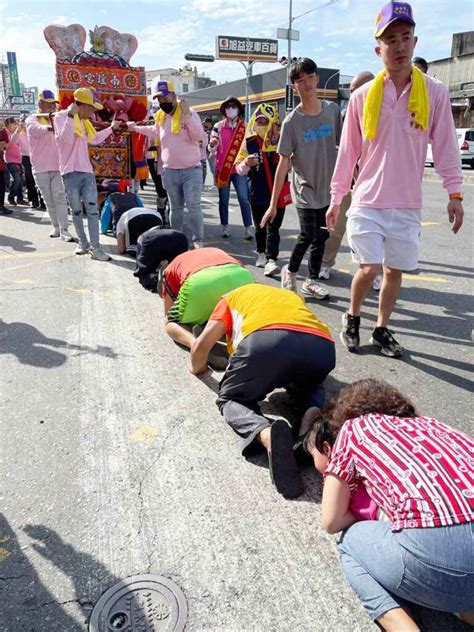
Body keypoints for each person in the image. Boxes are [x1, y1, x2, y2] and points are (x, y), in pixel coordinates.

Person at [327, 1, 464, 358]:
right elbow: (348, 153)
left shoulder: (434, 92)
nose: (399, 46)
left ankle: (382, 327)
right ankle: (353, 316)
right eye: (391, 40)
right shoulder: (361, 97)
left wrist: (455, 193)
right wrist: (336, 197)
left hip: (406, 203)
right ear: (379, 49)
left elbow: (447, 145)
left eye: (405, 37)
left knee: (394, 270)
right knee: (368, 268)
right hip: (368, 201)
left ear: (415, 42)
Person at [303, 378, 474, 632]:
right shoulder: (434, 426)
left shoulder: (352, 429)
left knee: (349, 542)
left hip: (443, 562)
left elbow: (331, 521)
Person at [190, 284, 335, 499]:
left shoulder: (229, 298)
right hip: (321, 347)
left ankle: (266, 434)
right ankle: (310, 415)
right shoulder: (289, 296)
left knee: (231, 398)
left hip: (265, 343)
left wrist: (197, 366)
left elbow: (201, 345)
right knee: (310, 385)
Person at [261, 58, 342, 300]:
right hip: (305, 188)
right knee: (308, 234)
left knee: (323, 235)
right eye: (299, 80)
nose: (305, 83)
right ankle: (291, 271)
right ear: (294, 87)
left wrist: (351, 176)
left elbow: (344, 148)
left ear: (317, 78)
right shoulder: (292, 122)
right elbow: (283, 163)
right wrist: (273, 204)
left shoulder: (332, 112)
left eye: (309, 77)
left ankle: (312, 281)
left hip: (328, 188)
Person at [128, 80, 205, 248]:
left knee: (193, 206)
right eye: (159, 99)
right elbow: (153, 131)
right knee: (175, 208)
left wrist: (188, 116)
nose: (163, 101)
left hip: (191, 170)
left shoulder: (189, 112)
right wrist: (135, 128)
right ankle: (176, 240)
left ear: (174, 95)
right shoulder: (161, 117)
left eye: (165, 97)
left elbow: (198, 136)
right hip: (170, 171)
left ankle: (198, 240)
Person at [319, 72, 375, 283]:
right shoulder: (345, 114)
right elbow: (343, 152)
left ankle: (375, 273)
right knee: (336, 228)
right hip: (348, 184)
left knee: (372, 234)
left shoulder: (383, 109)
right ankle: (325, 263)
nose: (354, 95)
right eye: (351, 91)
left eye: (357, 90)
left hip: (373, 185)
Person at [54, 88, 122, 260]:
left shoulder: (85, 122)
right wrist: (70, 117)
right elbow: (64, 141)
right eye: (91, 107)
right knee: (76, 211)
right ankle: (82, 244)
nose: (93, 111)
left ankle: (96, 248)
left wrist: (111, 129)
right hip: (69, 172)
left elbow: (94, 139)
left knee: (92, 211)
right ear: (82, 105)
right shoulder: (62, 117)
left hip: (86, 172)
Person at [162, 247, 254, 350]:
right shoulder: (214, 249)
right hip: (242, 276)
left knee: (171, 322)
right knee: (238, 318)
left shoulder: (170, 267)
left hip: (201, 282)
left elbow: (168, 311)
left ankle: (197, 345)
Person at [235, 103, 286, 277]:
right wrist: (246, 163)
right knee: (260, 226)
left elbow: (293, 164)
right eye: (259, 121)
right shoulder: (249, 142)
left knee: (275, 227)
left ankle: (272, 259)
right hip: (257, 191)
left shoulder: (281, 140)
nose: (261, 125)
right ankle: (261, 252)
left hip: (277, 192)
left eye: (265, 121)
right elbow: (238, 168)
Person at [25, 90, 74, 241]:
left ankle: (65, 230)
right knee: (49, 200)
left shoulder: (57, 118)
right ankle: (56, 227)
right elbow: (34, 130)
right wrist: (50, 128)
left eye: (53, 104)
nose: (51, 106)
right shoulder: (32, 119)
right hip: (40, 167)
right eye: (48, 103)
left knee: (60, 198)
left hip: (58, 166)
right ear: (40, 104)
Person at [209, 96, 253, 240]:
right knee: (224, 199)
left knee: (243, 198)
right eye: (228, 107)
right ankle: (225, 226)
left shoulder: (245, 127)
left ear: (239, 109)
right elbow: (212, 143)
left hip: (239, 168)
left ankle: (247, 228)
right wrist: (212, 144)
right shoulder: (219, 126)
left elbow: (251, 145)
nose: (231, 109)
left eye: (233, 106)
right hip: (224, 168)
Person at [134, 227, 188, 293]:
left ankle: (156, 281)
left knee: (143, 273)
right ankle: (174, 281)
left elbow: (140, 264)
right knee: (178, 268)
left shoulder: (143, 237)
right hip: (180, 239)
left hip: (152, 240)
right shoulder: (171, 230)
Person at [4, 118, 26, 206]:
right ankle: (11, 196)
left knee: (20, 180)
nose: (15, 125)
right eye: (14, 124)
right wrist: (17, 131)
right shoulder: (6, 133)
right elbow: (9, 143)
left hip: (18, 160)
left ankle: (20, 198)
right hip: (10, 160)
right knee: (17, 179)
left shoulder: (16, 133)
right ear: (9, 125)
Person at [0, 121, 12, 215]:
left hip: (1, 163)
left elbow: (5, 146)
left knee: (1, 185)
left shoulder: (3, 131)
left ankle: (1, 206)